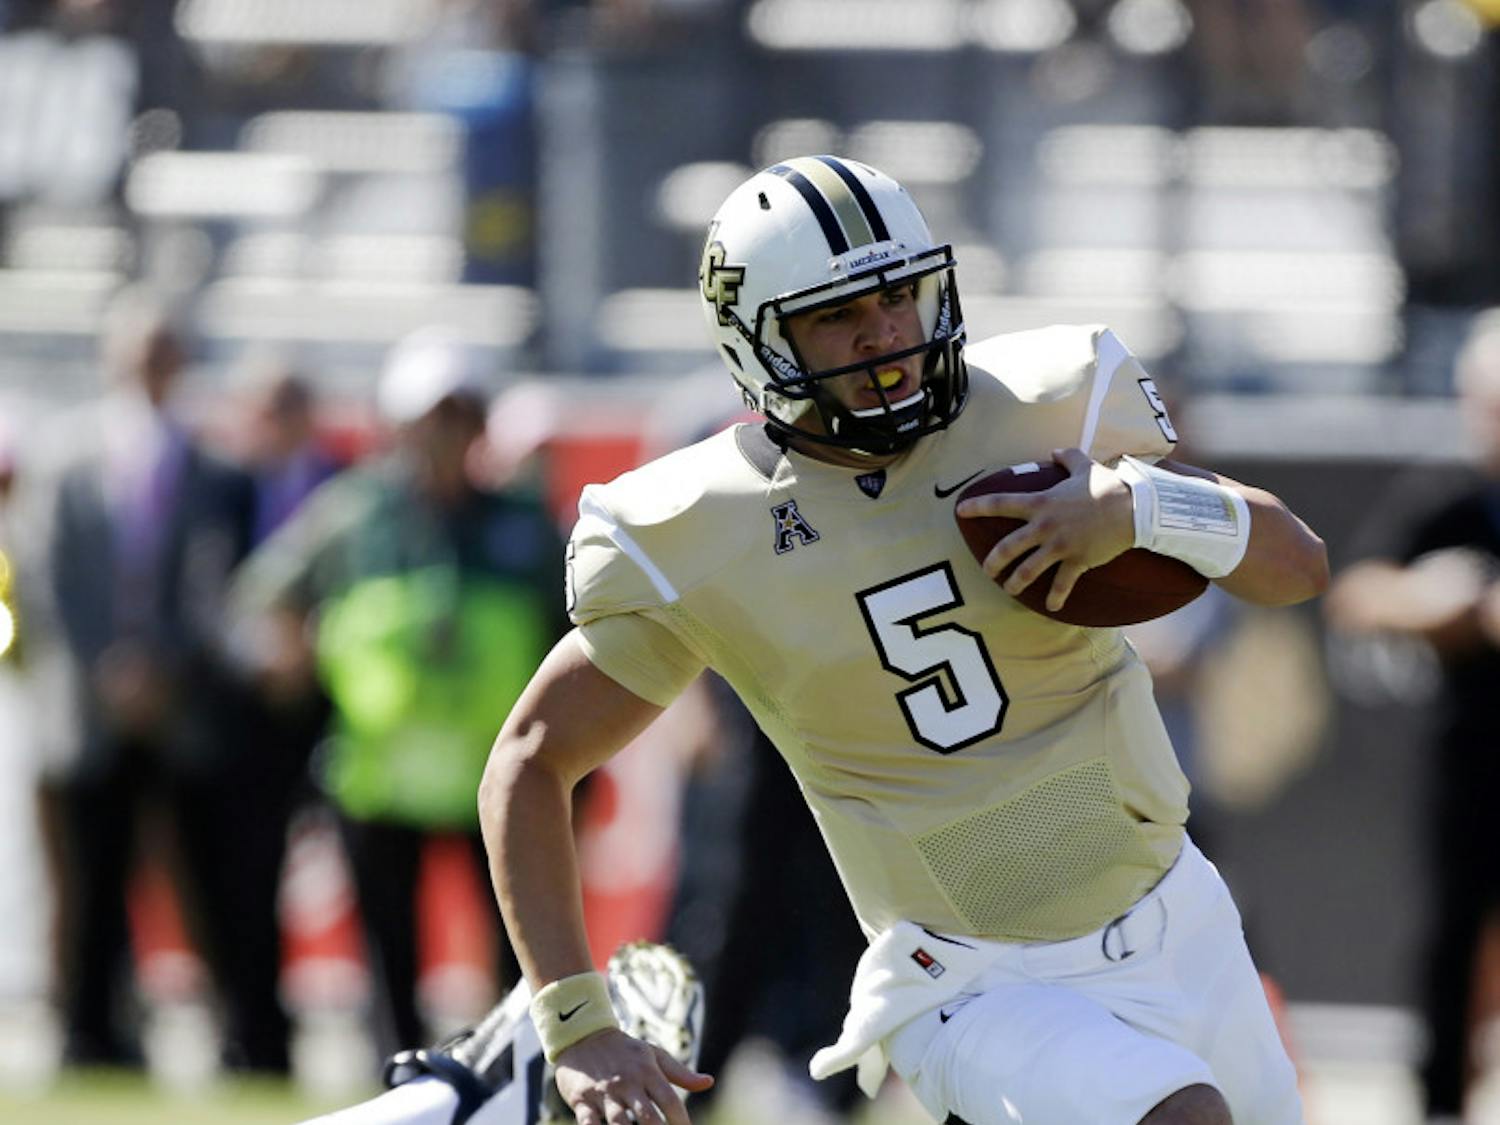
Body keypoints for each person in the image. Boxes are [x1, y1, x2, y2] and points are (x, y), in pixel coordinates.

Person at [479, 155, 1328, 1125]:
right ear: (759, 341)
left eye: (898, 296)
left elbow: (1297, 565)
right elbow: (531, 761)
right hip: (972, 978)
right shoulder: (696, 528)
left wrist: (1136, 505)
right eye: (839, 315)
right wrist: (577, 1022)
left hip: (1184, 919)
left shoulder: (1049, 399)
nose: (885, 335)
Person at [230, 328, 567, 1064]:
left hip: (499, 775)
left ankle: (521, 1079)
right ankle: (404, 1087)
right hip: (377, 778)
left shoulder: (523, 525)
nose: (443, 435)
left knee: (518, 947)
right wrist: (286, 654)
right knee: (391, 957)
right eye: (429, 417)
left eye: (459, 415)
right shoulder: (349, 514)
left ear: (481, 423)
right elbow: (262, 599)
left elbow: (576, 631)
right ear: (397, 423)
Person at [40, 287, 289, 1070]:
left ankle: (241, 1036)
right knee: (92, 881)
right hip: (92, 707)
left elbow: (221, 585)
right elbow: (53, 576)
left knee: (210, 882)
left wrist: (164, 665)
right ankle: (92, 1034)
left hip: (185, 708)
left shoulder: (215, 467)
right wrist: (107, 664)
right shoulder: (67, 457)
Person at [1323, 310, 1500, 1124]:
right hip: (1470, 763)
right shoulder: (1451, 499)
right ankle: (1441, 1107)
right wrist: (1438, 605)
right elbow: (1357, 592)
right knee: (1451, 945)